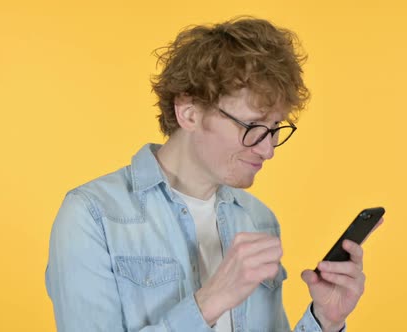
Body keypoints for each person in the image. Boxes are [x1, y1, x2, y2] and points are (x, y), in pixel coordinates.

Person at [46, 17, 379, 332]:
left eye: (275, 127)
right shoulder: (92, 215)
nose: (268, 149)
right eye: (252, 126)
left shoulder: (258, 219)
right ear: (189, 113)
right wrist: (209, 301)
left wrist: (325, 320)